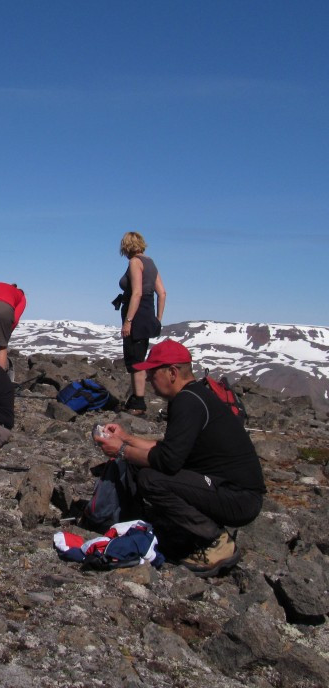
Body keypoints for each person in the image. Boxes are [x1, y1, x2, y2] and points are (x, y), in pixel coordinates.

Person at [96, 339, 265, 577]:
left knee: (150, 479)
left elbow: (168, 461)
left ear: (172, 372)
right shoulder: (193, 396)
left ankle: (216, 542)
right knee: (143, 465)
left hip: (238, 498)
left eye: (153, 372)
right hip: (232, 492)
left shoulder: (188, 402)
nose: (149, 379)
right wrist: (126, 439)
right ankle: (175, 529)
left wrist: (121, 451)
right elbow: (170, 449)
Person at [116, 231, 166, 416]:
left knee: (135, 360)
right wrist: (158, 318)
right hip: (147, 313)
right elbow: (162, 293)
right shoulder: (150, 262)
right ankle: (136, 400)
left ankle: (139, 403)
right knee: (139, 356)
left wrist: (128, 321)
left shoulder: (135, 262)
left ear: (126, 246)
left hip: (136, 314)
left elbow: (136, 293)